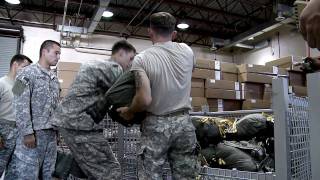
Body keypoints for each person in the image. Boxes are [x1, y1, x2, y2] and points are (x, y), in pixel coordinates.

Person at [117, 12, 200, 180]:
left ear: (150, 32)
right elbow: (190, 72)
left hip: (156, 126)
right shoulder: (187, 51)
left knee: (150, 175)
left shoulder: (142, 59)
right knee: (186, 176)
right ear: (174, 33)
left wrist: (130, 111)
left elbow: (144, 99)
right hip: (184, 124)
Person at [52, 40, 136, 179]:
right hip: (79, 125)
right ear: (120, 53)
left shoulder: (96, 64)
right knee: (107, 172)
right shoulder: (113, 68)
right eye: (131, 58)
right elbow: (126, 95)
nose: (131, 63)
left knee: (104, 165)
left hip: (76, 123)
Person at [13, 40, 61, 179]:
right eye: (56, 53)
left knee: (48, 174)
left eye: (59, 54)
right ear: (44, 51)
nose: (58, 57)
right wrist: (27, 132)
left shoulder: (54, 78)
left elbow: (55, 106)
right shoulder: (25, 73)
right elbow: (17, 102)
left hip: (51, 135)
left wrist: (57, 133)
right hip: (33, 135)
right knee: (27, 173)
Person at [0, 54, 32, 179]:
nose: (27, 72)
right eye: (25, 67)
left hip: (18, 133)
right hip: (3, 130)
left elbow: (18, 108)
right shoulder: (1, 83)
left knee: (13, 171)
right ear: (15, 65)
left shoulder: (19, 86)